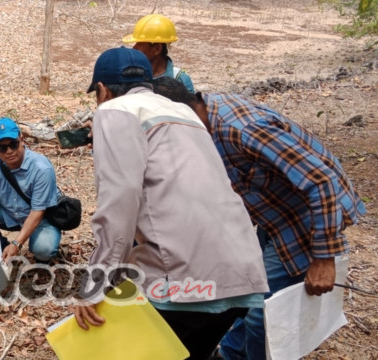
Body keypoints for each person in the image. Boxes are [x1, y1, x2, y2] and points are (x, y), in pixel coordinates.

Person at [70, 47, 269, 360]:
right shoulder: (185, 112)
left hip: (182, 277)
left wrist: (97, 282)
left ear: (102, 90)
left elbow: (119, 200)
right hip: (243, 272)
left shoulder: (113, 110)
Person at [150, 76, 367, 360]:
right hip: (276, 214)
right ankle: (230, 355)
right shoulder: (203, 125)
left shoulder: (242, 128)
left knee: (261, 318)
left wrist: (324, 257)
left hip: (308, 217)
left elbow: (321, 181)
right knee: (247, 299)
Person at [0, 117, 62, 263]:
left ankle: (41, 258)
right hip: (11, 213)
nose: (9, 151)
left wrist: (17, 243)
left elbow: (37, 212)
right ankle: (2, 248)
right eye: (2, 147)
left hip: (41, 218)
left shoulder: (41, 168)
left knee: (44, 249)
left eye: (13, 145)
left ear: (22, 139)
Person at [123, 14, 195, 93]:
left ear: (157, 48)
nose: (134, 48)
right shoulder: (129, 75)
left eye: (139, 44)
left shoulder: (180, 79)